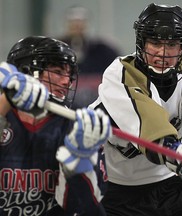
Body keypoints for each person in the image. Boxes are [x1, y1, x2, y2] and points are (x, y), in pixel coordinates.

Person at [89, 3, 182, 216]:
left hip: (170, 186)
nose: (162, 53)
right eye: (155, 42)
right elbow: (148, 122)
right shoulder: (119, 72)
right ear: (142, 43)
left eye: (172, 44)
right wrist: (181, 158)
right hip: (118, 191)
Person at [0, 36, 111, 215]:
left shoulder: (76, 128)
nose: (67, 81)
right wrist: (6, 100)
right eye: (58, 71)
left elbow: (86, 209)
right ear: (27, 71)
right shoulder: (4, 114)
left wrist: (79, 165)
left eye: (69, 74)